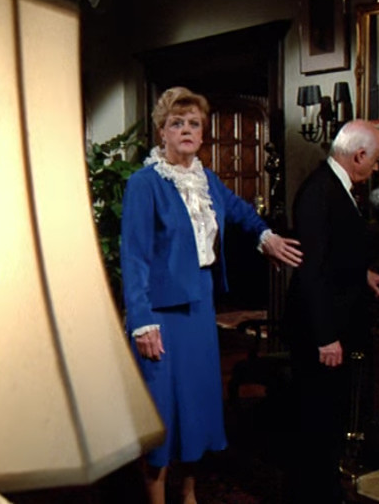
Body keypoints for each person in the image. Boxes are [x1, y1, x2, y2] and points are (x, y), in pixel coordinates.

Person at [120, 86, 303, 504]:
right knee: (161, 414)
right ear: (162, 132)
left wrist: (266, 237)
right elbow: (134, 257)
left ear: (203, 134)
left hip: (200, 311)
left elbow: (240, 212)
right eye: (176, 123)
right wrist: (142, 321)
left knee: (196, 411)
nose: (186, 130)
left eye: (194, 124)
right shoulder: (145, 184)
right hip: (160, 317)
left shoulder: (207, 180)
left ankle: (189, 496)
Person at [283, 119, 379, 503]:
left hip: (332, 323)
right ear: (359, 155)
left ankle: (325, 490)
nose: (375, 168)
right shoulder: (320, 191)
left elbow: (334, 253)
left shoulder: (334, 186)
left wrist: (363, 275)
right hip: (320, 330)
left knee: (329, 417)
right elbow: (312, 270)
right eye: (375, 160)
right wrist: (326, 337)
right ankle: (314, 495)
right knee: (317, 420)